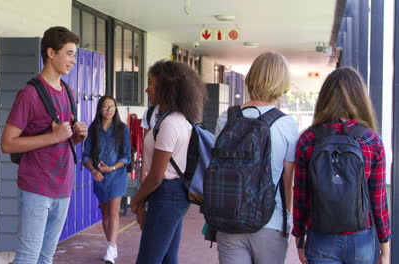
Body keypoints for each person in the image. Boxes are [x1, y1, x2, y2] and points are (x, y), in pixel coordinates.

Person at [1, 26, 87, 264]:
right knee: (28, 258)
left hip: (63, 186)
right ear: (51, 52)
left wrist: (76, 134)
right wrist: (54, 137)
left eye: (74, 55)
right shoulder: (29, 94)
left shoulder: (68, 92)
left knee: (46, 257)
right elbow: (7, 144)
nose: (73, 60)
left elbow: (62, 135)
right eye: (69, 53)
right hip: (36, 188)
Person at [292, 67, 391, 264]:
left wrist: (299, 239)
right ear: (360, 98)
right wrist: (385, 248)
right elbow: (378, 200)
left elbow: (301, 195)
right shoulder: (371, 140)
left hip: (320, 236)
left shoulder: (308, 139)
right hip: (361, 238)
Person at [213, 52, 299, 264]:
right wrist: (287, 221)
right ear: (282, 82)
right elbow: (288, 184)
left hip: (227, 219)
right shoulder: (286, 124)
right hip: (270, 222)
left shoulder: (227, 117)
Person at [131, 60, 206, 264]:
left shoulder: (170, 124)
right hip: (173, 194)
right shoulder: (177, 119)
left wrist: (136, 199)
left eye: (151, 83)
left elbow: (156, 176)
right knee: (167, 259)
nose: (147, 89)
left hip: (166, 195)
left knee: (149, 259)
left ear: (166, 88)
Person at [82, 95, 131, 264]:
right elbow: (86, 155)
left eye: (112, 107)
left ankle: (110, 249)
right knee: (104, 213)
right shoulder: (93, 129)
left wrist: (111, 168)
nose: (109, 110)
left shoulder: (122, 129)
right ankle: (112, 244)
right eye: (105, 107)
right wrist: (93, 170)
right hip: (100, 177)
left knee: (113, 212)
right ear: (99, 109)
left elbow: (127, 156)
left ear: (115, 109)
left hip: (117, 175)